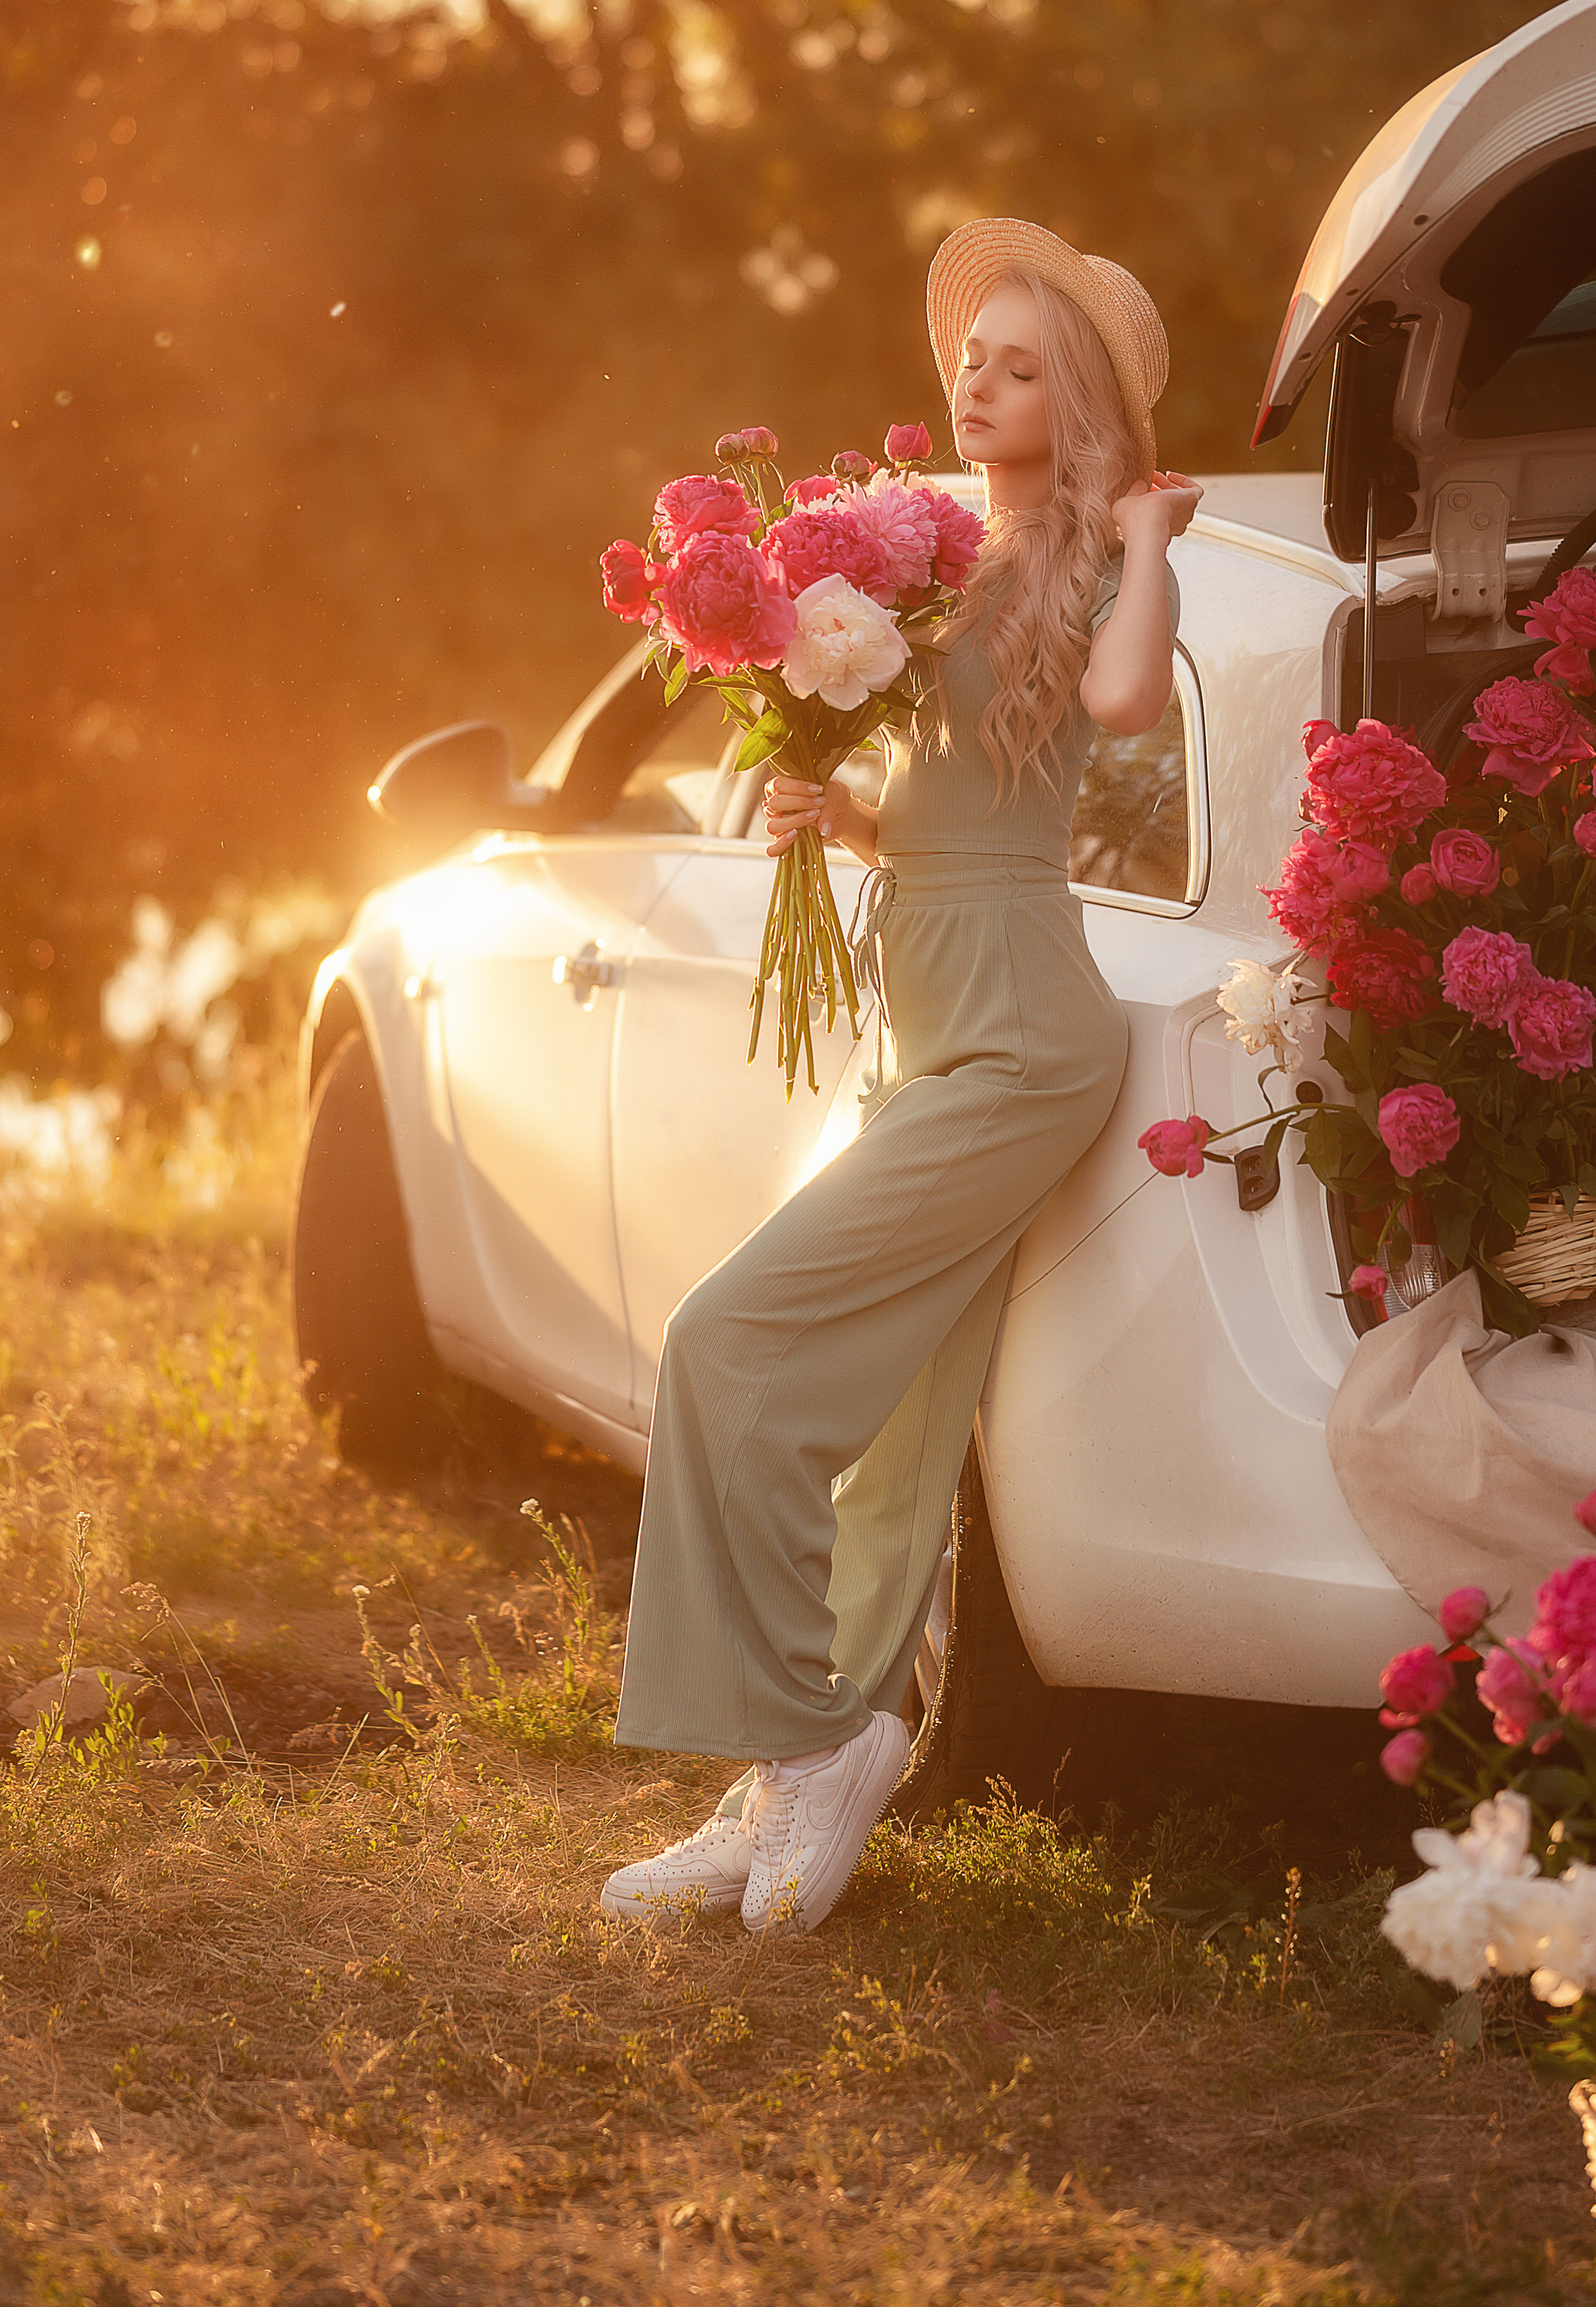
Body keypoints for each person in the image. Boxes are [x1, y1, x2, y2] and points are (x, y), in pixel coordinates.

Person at [600, 217, 1201, 1932]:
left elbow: (1128, 703)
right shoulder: (942, 554)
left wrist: (1149, 541)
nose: (978, 378)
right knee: (898, 1426)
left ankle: (799, 1736)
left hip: (1017, 1027)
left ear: (1075, 398)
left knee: (727, 1343)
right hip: (929, 1000)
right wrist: (831, 808)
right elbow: (947, 807)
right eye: (973, 355)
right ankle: (828, 1738)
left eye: (1020, 364)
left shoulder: (1083, 550)